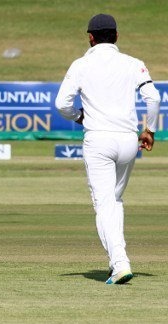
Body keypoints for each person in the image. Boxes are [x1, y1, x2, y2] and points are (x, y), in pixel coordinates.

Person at [55, 14, 160, 284]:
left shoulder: (81, 64)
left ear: (90, 37)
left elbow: (61, 104)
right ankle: (117, 261)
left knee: (103, 204)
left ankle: (119, 262)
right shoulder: (133, 63)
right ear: (116, 36)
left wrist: (79, 116)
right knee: (113, 201)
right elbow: (154, 97)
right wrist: (150, 130)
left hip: (99, 139)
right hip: (128, 141)